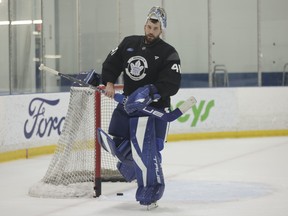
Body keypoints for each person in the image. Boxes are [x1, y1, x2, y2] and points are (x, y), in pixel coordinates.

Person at [99, 6, 181, 207]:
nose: (151, 31)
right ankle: (135, 169)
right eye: (149, 26)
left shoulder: (169, 53)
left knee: (149, 151)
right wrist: (109, 81)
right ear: (145, 25)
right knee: (119, 146)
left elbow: (172, 83)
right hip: (128, 105)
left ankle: (153, 189)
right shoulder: (129, 43)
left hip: (154, 111)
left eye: (155, 28)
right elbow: (112, 62)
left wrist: (150, 92)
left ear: (161, 29)